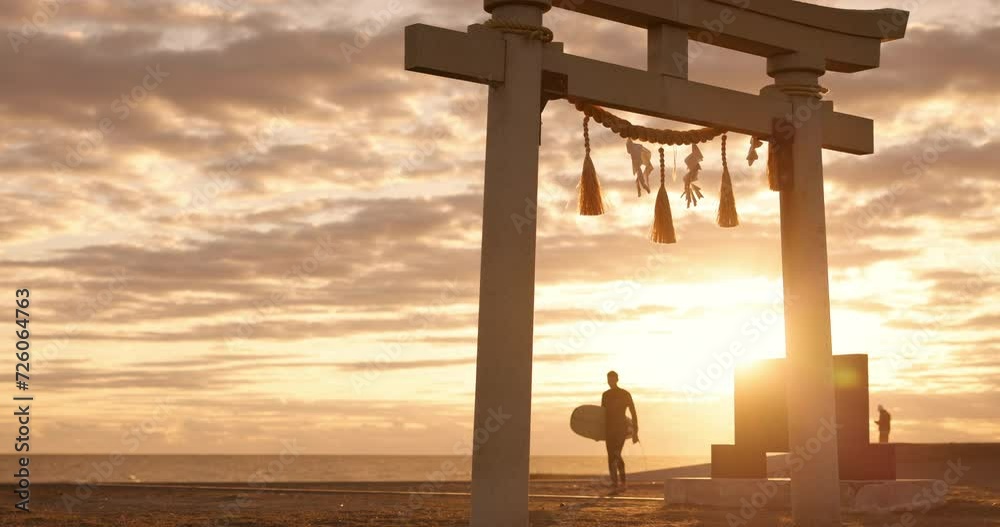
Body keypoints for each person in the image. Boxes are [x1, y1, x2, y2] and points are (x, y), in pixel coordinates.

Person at [601, 371, 638, 490]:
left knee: (616, 454)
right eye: (608, 380)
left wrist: (635, 431)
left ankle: (622, 482)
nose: (610, 382)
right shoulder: (605, 395)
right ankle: (615, 483)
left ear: (617, 379)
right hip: (609, 429)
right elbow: (602, 415)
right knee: (611, 456)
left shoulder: (624, 394)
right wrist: (599, 433)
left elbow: (633, 412)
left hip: (621, 429)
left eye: (612, 379)